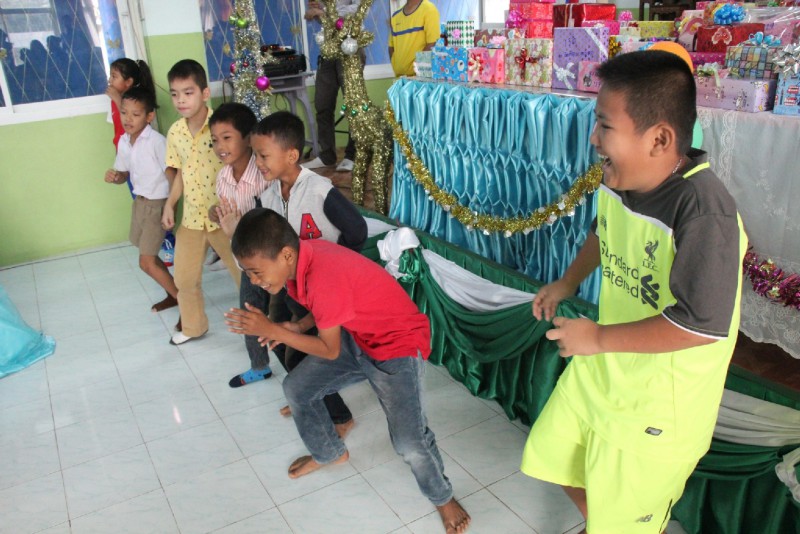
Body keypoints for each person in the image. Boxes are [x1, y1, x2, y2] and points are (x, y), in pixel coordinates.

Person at [520, 51, 748, 534]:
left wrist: (598, 338)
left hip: (655, 408)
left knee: (625, 518)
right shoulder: (620, 179)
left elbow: (699, 326)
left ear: (659, 139)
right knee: (554, 459)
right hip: (603, 372)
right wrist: (567, 282)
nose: (593, 138)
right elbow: (603, 232)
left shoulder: (703, 213)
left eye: (605, 126)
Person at [224, 208, 471, 534]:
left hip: (397, 347)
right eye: (249, 274)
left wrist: (274, 330)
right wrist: (298, 326)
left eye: (256, 272)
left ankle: (443, 498)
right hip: (359, 338)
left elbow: (329, 349)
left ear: (285, 255)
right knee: (297, 389)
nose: (254, 281)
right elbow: (328, 308)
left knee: (409, 441)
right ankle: (329, 452)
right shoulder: (300, 261)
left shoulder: (321, 274)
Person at [218, 111, 365, 439]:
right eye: (255, 155)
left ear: (291, 155)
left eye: (263, 155)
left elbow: (357, 230)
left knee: (302, 354)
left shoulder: (319, 190)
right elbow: (260, 250)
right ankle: (307, 395)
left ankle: (339, 416)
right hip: (288, 290)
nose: (258, 162)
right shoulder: (268, 196)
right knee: (278, 343)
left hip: (320, 292)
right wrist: (233, 232)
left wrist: (337, 271)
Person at [161, 59, 240, 345]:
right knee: (184, 279)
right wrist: (170, 204)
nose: (181, 100)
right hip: (192, 218)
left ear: (205, 93)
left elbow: (238, 165)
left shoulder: (222, 126)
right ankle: (194, 327)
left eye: (188, 92)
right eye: (175, 94)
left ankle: (264, 323)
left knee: (243, 274)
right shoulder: (175, 133)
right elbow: (180, 173)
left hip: (225, 216)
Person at [104, 87, 178, 314]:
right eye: (124, 113)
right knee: (149, 256)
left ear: (149, 116)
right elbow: (124, 174)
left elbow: (172, 175)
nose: (128, 119)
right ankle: (173, 294)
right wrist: (116, 177)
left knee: (146, 262)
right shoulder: (124, 142)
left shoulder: (156, 142)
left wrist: (170, 207)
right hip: (140, 202)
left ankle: (185, 304)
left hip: (157, 205)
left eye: (135, 114)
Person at [301, 0, 364, 172]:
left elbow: (360, 9)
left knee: (353, 104)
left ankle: (352, 156)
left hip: (350, 47)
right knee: (322, 104)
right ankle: (327, 156)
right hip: (329, 48)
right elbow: (327, 20)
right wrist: (316, 11)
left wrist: (325, 13)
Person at [107, 58, 156, 151]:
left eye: (114, 76)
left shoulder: (137, 100)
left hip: (138, 148)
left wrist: (117, 99)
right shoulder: (113, 101)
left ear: (128, 82)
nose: (110, 80)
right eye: (110, 76)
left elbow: (140, 127)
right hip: (122, 148)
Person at [389, 0, 440, 77]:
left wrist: (418, 69)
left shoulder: (429, 9)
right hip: (400, 78)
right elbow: (391, 46)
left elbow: (433, 43)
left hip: (419, 78)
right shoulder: (395, 15)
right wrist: (396, 66)